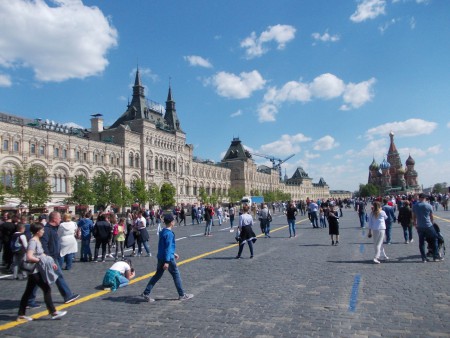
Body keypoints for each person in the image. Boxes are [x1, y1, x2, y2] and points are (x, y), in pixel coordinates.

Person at [17, 222, 67, 321]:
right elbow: (29, 256)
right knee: (46, 289)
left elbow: (41, 254)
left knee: (28, 292)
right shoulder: (33, 241)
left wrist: (50, 262)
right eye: (42, 230)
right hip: (35, 270)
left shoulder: (37, 240)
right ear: (37, 231)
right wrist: (40, 261)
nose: (43, 231)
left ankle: (21, 314)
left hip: (36, 270)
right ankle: (53, 312)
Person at [28, 211, 80, 306]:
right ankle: (67, 295)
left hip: (53, 256)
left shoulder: (54, 229)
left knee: (38, 279)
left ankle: (30, 299)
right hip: (49, 257)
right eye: (59, 218)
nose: (61, 219)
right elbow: (44, 245)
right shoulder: (47, 230)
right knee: (57, 275)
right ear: (54, 219)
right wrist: (48, 258)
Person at [140, 214, 194, 302]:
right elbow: (168, 248)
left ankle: (146, 292)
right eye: (174, 221)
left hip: (161, 256)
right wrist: (167, 261)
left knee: (157, 275)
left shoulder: (163, 232)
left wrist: (173, 253)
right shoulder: (169, 234)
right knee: (176, 275)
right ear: (172, 222)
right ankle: (181, 294)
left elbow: (164, 247)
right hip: (167, 258)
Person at [412, 193, 443, 262]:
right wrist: (432, 223)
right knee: (435, 239)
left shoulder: (415, 206)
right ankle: (436, 256)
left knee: (421, 242)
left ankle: (424, 258)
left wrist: (415, 224)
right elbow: (431, 216)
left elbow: (414, 216)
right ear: (425, 198)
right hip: (428, 225)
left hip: (420, 226)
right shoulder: (429, 205)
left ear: (419, 198)